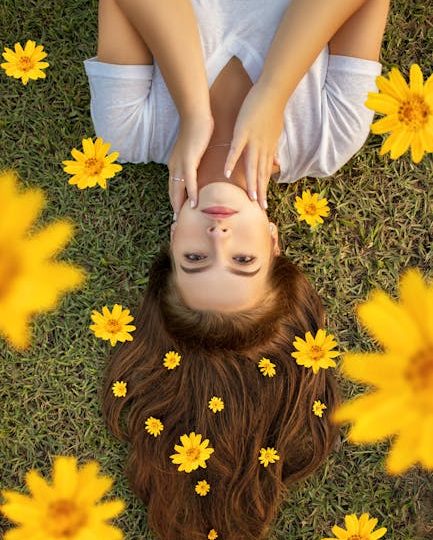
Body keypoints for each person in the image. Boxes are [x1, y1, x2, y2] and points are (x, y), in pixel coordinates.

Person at [85, 0, 390, 538]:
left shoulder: (129, 132)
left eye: (195, 259)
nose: (219, 235)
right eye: (244, 261)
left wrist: (192, 110)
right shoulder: (328, 139)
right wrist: (272, 94)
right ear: (274, 244)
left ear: (171, 240)